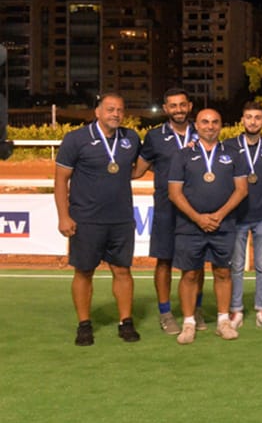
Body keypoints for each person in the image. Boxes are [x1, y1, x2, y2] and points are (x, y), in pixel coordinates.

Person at [55, 93, 144, 346]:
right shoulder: (76, 139)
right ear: (97, 112)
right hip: (86, 219)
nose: (116, 114)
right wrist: (64, 216)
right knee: (84, 272)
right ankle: (84, 325)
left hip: (121, 219)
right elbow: (61, 180)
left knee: (123, 270)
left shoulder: (130, 138)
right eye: (110, 109)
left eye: (120, 110)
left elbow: (137, 168)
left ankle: (125, 322)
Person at [167, 108, 249, 344]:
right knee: (190, 273)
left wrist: (219, 215)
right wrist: (198, 217)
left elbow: (242, 189)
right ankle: (189, 323)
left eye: (215, 122)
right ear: (197, 126)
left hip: (223, 224)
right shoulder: (182, 155)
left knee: (223, 271)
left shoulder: (233, 154)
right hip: (189, 225)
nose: (210, 126)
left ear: (221, 125)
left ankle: (223, 321)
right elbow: (174, 193)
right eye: (205, 122)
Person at [137, 87, 194, 334]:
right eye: (173, 105)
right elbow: (139, 169)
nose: (178, 110)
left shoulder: (203, 130)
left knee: (195, 262)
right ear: (165, 109)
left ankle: (194, 310)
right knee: (164, 260)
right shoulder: (154, 137)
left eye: (182, 105)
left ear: (189, 106)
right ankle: (165, 312)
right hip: (165, 207)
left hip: (196, 209)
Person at [226, 101, 262, 329]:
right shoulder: (228, 145)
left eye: (258, 117)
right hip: (236, 214)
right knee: (236, 265)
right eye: (249, 117)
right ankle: (235, 310)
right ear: (242, 120)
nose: (253, 121)